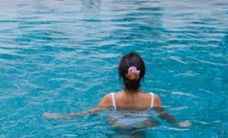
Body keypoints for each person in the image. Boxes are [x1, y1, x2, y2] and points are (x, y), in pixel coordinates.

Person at [43, 52, 191, 127]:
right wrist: (178, 124)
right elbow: (164, 115)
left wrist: (62, 117)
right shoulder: (153, 99)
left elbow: (90, 113)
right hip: (143, 123)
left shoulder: (111, 98)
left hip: (119, 124)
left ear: (121, 74)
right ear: (142, 74)